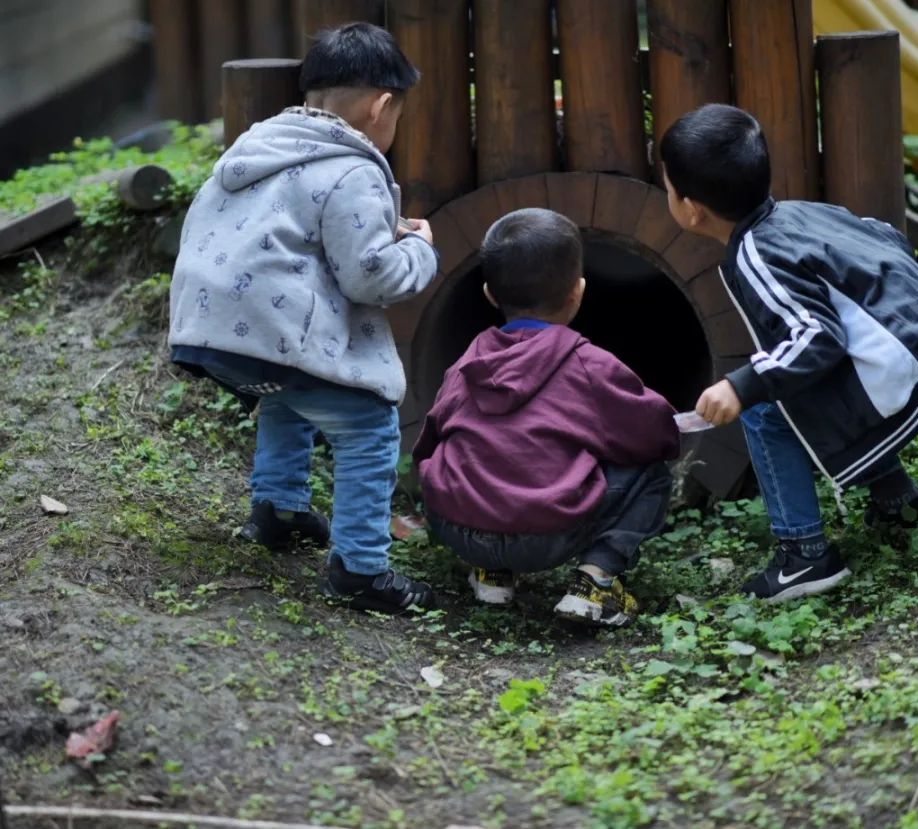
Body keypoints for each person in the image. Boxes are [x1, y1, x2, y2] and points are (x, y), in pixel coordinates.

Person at [660, 103, 918, 603]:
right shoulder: (804, 213)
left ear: (689, 207)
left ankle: (804, 555)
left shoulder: (755, 255)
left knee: (765, 410)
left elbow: (819, 337)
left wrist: (743, 384)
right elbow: (885, 236)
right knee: (801, 380)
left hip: (907, 371)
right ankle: (900, 504)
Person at [168, 23, 439, 613]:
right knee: (368, 426)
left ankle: (279, 510)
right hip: (268, 329)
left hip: (210, 333)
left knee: (291, 391)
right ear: (381, 106)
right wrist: (418, 247)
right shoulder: (355, 168)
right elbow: (371, 277)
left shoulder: (257, 147)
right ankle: (361, 571)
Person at [413, 208, 680, 626]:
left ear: (489, 295)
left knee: (475, 452)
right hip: (547, 535)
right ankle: (596, 584)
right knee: (651, 472)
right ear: (578, 292)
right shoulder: (589, 364)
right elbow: (653, 432)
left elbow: (431, 435)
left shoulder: (469, 359)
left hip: (458, 525)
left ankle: (491, 572)